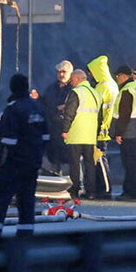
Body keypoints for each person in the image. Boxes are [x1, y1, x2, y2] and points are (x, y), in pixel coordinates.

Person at [0, 74, 48, 242]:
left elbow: (7, 141)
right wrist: (37, 157)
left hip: (14, 163)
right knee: (26, 199)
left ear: (13, 88)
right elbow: (46, 138)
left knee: (0, 196)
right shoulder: (38, 109)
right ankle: (25, 237)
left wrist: (2, 160)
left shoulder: (13, 109)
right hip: (33, 163)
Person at [60, 69, 101, 200]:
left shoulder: (76, 92)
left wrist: (65, 130)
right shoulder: (96, 94)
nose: (71, 83)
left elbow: (69, 113)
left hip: (76, 134)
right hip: (90, 135)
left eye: (72, 80)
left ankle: (74, 190)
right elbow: (100, 116)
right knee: (90, 164)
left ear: (78, 79)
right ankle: (91, 192)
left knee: (75, 164)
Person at [111, 65, 136, 201]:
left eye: (117, 77)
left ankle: (130, 192)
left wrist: (118, 133)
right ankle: (135, 191)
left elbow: (124, 114)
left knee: (129, 164)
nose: (117, 80)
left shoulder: (127, 90)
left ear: (123, 76)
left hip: (129, 132)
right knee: (133, 162)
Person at [32, 60, 73, 175]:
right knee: (53, 152)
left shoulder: (73, 89)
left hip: (66, 127)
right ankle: (56, 171)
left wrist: (67, 107)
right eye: (59, 72)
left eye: (64, 72)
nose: (61, 74)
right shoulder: (52, 88)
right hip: (52, 126)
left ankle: (74, 180)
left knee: (67, 154)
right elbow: (45, 103)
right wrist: (38, 98)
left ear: (70, 73)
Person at [86, 55, 117, 199]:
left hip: (100, 131)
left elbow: (96, 108)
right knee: (98, 160)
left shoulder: (102, 86)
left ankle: (105, 189)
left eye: (91, 72)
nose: (89, 75)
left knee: (100, 161)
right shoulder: (111, 84)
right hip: (104, 129)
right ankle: (101, 189)